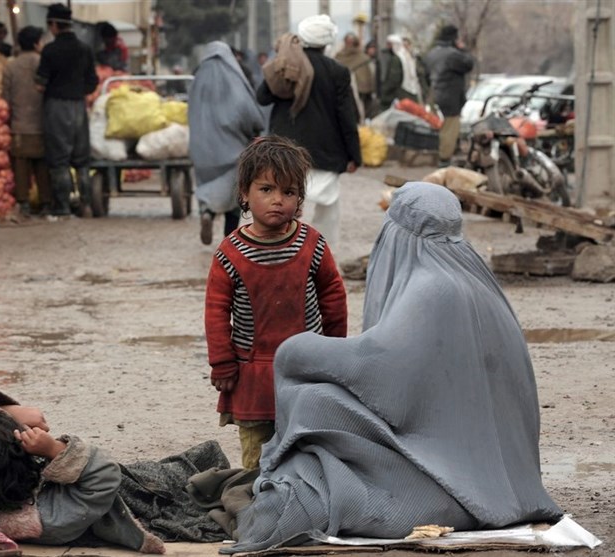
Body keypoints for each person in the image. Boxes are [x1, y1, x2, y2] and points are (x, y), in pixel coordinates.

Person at [218, 181, 564, 553]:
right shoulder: (472, 274)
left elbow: (382, 376)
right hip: (491, 467)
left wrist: (295, 350)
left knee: (312, 403)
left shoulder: (432, 286)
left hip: (451, 480)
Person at [0, 389, 232, 551]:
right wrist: (53, 450)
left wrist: (8, 412)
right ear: (21, 468)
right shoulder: (43, 521)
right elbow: (105, 477)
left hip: (75, 487)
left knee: (200, 461)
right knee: (199, 477)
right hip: (122, 505)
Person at [204, 136, 348, 470]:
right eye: (266, 189)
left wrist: (334, 353)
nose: (277, 201)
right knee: (257, 454)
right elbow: (216, 311)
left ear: (300, 198)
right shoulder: (231, 252)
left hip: (306, 369)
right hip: (253, 372)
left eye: (289, 192)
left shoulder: (311, 243)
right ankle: (259, 504)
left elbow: (333, 296)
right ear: (244, 193)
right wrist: (222, 364)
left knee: (307, 445)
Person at [256, 14, 362, 261]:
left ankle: (278, 254)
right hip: (324, 152)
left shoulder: (286, 66)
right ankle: (319, 259)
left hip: (284, 151)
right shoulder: (337, 71)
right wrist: (354, 155)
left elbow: (262, 97)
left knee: (281, 201)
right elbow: (346, 117)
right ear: (327, 42)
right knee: (326, 208)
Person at [188, 41, 265, 245]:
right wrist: (255, 130)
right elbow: (248, 114)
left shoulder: (199, 79)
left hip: (202, 149)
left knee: (206, 186)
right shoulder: (235, 80)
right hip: (232, 149)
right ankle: (229, 240)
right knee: (234, 193)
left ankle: (207, 212)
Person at [36, 3, 99, 217]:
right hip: (78, 106)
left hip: (56, 107)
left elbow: (39, 83)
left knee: (59, 160)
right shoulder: (85, 49)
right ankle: (86, 204)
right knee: (82, 160)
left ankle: (62, 207)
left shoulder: (50, 50)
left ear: (53, 25)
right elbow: (93, 82)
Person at [2, 26, 51, 217]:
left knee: (20, 167)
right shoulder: (43, 63)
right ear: (36, 43)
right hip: (42, 124)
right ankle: (46, 203)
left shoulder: (10, 66)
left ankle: (23, 204)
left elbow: (4, 99)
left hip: (19, 126)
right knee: (43, 166)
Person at [424, 24, 475, 167]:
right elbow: (468, 64)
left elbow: (425, 74)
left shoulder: (432, 53)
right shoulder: (453, 54)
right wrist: (463, 49)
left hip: (435, 94)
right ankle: (444, 160)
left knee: (441, 127)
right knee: (450, 128)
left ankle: (446, 155)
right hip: (450, 96)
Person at [334, 32, 375, 123]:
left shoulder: (363, 58)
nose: (349, 45)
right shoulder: (339, 57)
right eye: (347, 42)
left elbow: (368, 78)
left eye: (351, 42)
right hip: (342, 94)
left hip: (360, 95)